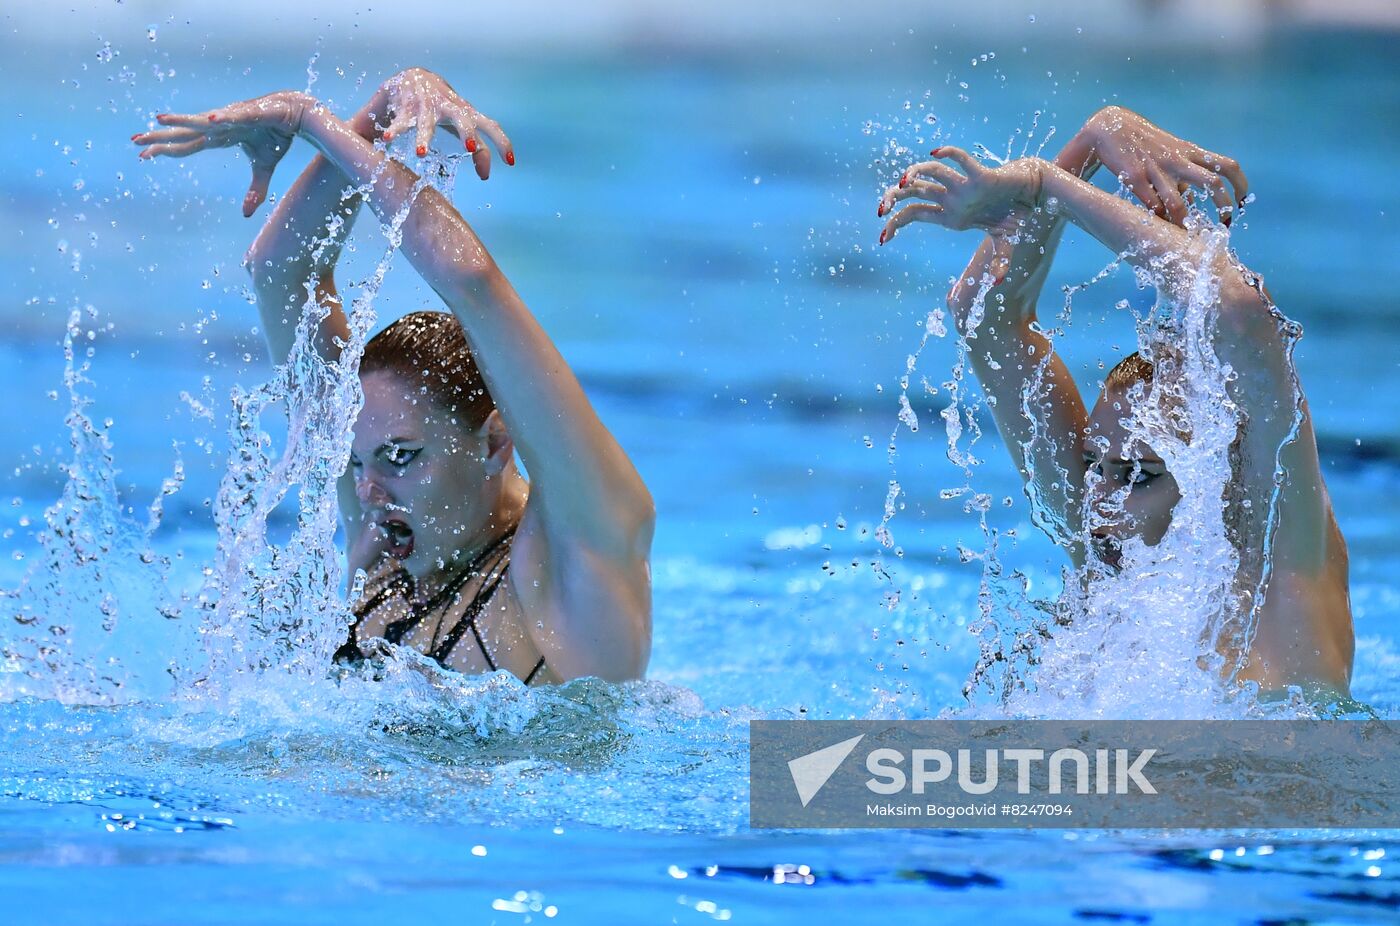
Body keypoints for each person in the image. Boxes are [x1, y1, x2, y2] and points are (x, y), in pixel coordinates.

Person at [133, 68, 654, 685]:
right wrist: (374, 116)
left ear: (494, 443)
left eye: (401, 457)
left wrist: (312, 124)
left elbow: (473, 285)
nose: (368, 493)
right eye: (358, 463)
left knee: (795, 781)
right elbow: (280, 271)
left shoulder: (576, 558)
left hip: (611, 781)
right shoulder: (391, 536)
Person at [877, 105, 1352, 698]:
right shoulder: (1108, 558)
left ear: (1227, 482)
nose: (1098, 497)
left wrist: (1046, 184)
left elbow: (1238, 311)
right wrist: (1090, 142)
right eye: (1098, 464)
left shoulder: (1278, 575)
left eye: (1139, 474)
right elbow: (986, 322)